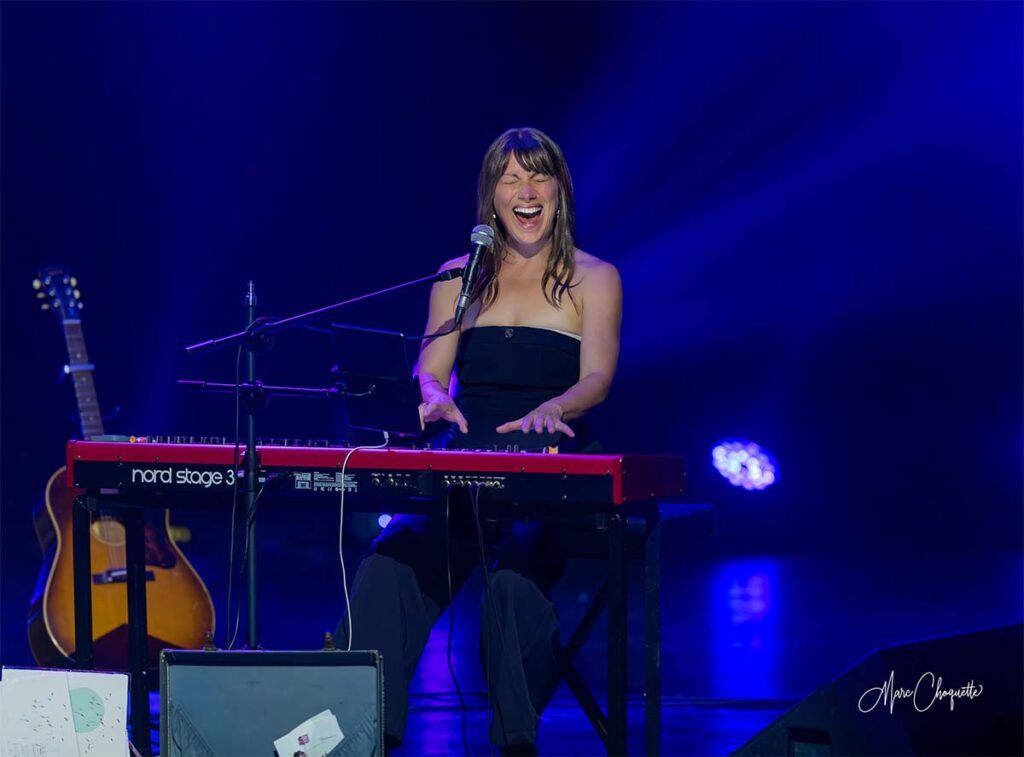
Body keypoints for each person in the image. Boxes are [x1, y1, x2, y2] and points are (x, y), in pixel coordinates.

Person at [340, 127, 622, 753]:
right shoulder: (459, 276)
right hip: (463, 468)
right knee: (384, 572)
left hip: (549, 471)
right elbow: (432, 367)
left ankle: (515, 742)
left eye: (538, 176)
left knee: (511, 591)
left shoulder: (594, 276)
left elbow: (598, 377)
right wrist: (435, 396)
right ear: (491, 195)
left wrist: (556, 405)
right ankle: (369, 736)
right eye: (511, 178)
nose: (526, 191)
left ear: (559, 190)